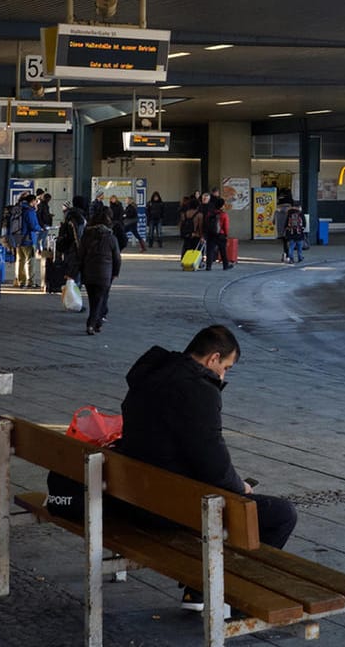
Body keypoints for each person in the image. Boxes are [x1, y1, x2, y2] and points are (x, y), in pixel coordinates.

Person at [117, 324, 296, 610]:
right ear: (213, 359)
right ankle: (234, 597)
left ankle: (197, 590)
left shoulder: (150, 374)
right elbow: (212, 462)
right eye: (226, 367)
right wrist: (241, 488)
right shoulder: (197, 390)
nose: (223, 375)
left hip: (133, 496)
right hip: (168, 510)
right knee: (280, 514)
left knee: (218, 496)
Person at [78, 203, 121, 335]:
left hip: (89, 272)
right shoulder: (111, 238)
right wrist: (115, 272)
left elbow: (81, 255)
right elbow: (117, 258)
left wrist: (80, 271)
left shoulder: (86, 236)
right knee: (100, 298)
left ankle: (96, 323)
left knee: (93, 299)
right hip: (104, 273)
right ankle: (92, 323)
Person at [13, 194, 43, 287]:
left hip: (18, 238)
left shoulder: (20, 209)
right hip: (28, 239)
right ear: (32, 201)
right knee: (30, 260)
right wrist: (40, 228)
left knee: (20, 260)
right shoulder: (30, 211)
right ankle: (30, 282)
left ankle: (20, 281)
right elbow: (33, 225)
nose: (36, 203)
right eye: (35, 201)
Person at [199, 193, 223, 270]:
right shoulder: (201, 207)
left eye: (206, 198)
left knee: (210, 247)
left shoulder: (210, 207)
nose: (204, 199)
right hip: (207, 229)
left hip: (209, 229)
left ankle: (209, 263)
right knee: (204, 247)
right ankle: (204, 262)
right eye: (203, 198)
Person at [281, 199, 307, 264]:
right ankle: (300, 258)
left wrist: (285, 230)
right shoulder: (301, 214)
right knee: (299, 247)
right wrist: (302, 229)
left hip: (291, 233)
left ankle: (291, 259)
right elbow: (304, 223)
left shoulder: (289, 214)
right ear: (299, 207)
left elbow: (286, 223)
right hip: (299, 233)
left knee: (291, 247)